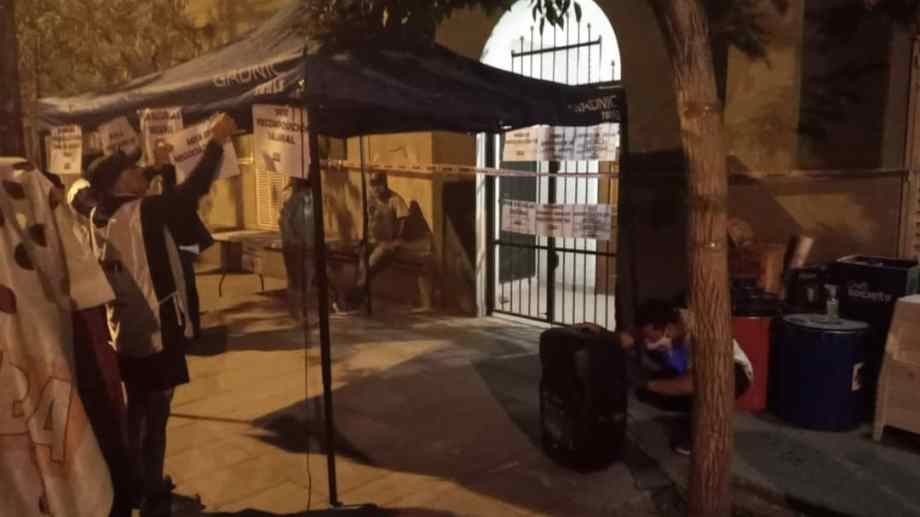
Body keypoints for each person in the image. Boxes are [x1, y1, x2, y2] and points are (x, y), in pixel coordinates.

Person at [71, 113, 237, 517]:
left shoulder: (96, 212)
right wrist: (216, 142)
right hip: (157, 332)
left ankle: (133, 485)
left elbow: (89, 190)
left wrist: (156, 167)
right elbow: (193, 189)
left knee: (138, 412)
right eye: (132, 171)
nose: (139, 173)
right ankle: (152, 494)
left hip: (124, 331)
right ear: (119, 183)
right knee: (155, 414)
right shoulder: (142, 212)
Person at [579, 298, 753, 456]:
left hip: (733, 373)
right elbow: (629, 338)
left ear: (668, 328)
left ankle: (701, 432)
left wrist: (645, 383)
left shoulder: (699, 335)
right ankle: (690, 413)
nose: (647, 342)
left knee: (695, 389)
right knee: (650, 392)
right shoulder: (662, 319)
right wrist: (601, 334)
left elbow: (690, 384)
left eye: (651, 338)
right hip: (691, 370)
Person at [346, 172, 434, 311]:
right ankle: (359, 294)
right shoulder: (372, 200)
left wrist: (392, 242)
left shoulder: (395, 200)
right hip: (375, 242)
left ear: (384, 184)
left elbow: (402, 227)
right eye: (372, 185)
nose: (375, 188)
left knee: (372, 263)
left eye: (378, 184)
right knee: (363, 260)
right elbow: (370, 223)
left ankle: (355, 297)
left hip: (392, 244)